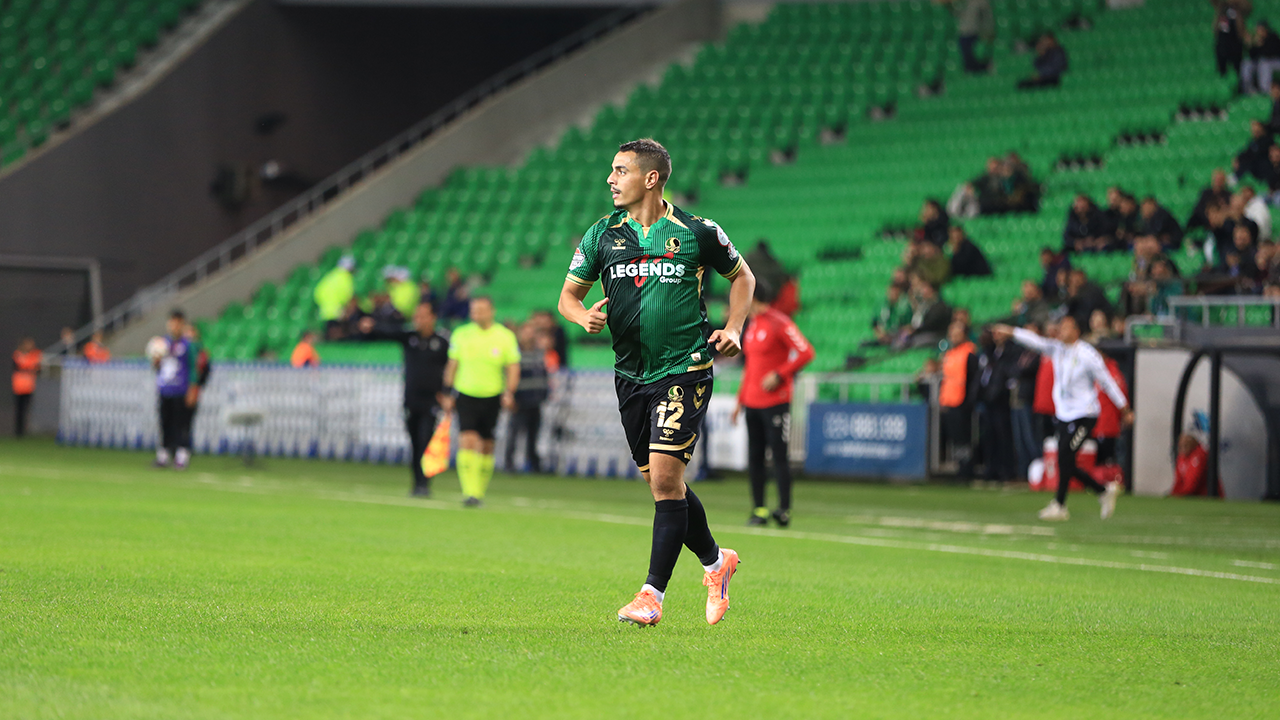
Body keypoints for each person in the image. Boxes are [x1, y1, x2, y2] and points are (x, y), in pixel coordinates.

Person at [557, 138, 754, 628]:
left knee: (666, 482)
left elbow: (743, 277)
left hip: (684, 367)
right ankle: (716, 562)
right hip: (630, 375)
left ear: (651, 178)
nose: (610, 179)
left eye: (619, 170)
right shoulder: (601, 234)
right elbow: (567, 296)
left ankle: (652, 596)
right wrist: (581, 316)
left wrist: (732, 329)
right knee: (664, 484)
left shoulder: (697, 232)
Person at [994, 318, 1132, 521]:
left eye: (1066, 327)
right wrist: (1012, 332)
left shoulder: (1087, 354)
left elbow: (1107, 381)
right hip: (1065, 415)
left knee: (1065, 457)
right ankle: (1101, 491)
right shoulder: (1057, 349)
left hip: (1085, 414)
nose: (1061, 330)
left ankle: (1060, 505)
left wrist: (1125, 408)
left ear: (1076, 330)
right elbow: (1034, 341)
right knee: (1064, 460)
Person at [731, 282, 814, 528]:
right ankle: (759, 510)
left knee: (779, 456)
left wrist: (780, 374)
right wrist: (739, 401)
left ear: (753, 297)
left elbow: (806, 352)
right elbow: (750, 367)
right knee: (755, 457)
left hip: (775, 402)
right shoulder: (752, 324)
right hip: (753, 402)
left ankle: (784, 509)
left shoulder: (780, 322)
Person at [359, 301, 450, 497]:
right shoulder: (409, 337)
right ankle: (417, 483)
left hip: (432, 401)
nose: (419, 320)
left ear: (433, 317)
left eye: (423, 315)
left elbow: (451, 369)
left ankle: (424, 483)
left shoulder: (442, 342)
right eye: (417, 315)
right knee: (415, 442)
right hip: (411, 400)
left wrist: (447, 392)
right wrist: (371, 327)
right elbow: (385, 333)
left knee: (426, 441)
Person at [444, 296, 520, 506]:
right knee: (467, 439)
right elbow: (453, 364)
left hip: (492, 395)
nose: (476, 314)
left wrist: (509, 392)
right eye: (473, 310)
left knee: (486, 444)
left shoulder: (505, 336)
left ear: (491, 311)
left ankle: (479, 491)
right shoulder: (461, 334)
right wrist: (448, 392)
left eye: (480, 310)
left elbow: (512, 366)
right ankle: (470, 492)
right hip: (466, 393)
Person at [153, 310, 200, 470]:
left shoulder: (188, 345)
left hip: (181, 389)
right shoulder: (161, 343)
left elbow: (194, 368)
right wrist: (156, 361)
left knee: (181, 424)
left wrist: (193, 389)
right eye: (172, 323)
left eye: (178, 323)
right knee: (165, 423)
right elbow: (157, 366)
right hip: (165, 389)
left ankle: (181, 456)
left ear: (182, 325)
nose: (174, 326)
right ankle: (163, 454)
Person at [504, 322, 551, 473]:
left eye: (532, 332)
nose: (529, 335)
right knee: (514, 433)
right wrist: (510, 394)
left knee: (534, 434)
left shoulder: (539, 352)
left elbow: (543, 374)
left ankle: (533, 464)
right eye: (526, 332)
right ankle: (508, 464)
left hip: (535, 400)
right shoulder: (514, 352)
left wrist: (544, 393)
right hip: (519, 399)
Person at [938, 321, 978, 480]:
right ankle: (959, 467)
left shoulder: (969, 352)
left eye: (957, 332)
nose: (953, 336)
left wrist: (969, 401)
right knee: (955, 439)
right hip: (949, 401)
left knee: (963, 439)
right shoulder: (950, 353)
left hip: (962, 402)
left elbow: (973, 379)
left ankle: (967, 469)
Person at [937, 0, 993, 73]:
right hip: (963, 34)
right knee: (968, 65)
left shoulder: (981, 2)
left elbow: (987, 18)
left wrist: (987, 33)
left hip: (977, 35)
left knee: (980, 64)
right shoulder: (960, 3)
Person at [314, 255, 355, 336]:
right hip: (338, 311)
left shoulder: (331, 275)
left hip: (325, 312)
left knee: (330, 335)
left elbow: (317, 292)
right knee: (338, 335)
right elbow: (347, 295)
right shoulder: (346, 277)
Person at [11, 337, 41, 437]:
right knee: (19, 409)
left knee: (27, 409)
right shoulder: (18, 354)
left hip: (29, 386)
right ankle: (18, 432)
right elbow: (22, 366)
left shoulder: (35, 354)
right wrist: (30, 367)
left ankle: (25, 431)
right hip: (19, 386)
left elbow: (37, 366)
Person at [1214, 0, 1248, 80]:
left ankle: (1239, 84)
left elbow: (1240, 29)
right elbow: (1215, 28)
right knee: (1223, 67)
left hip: (1235, 43)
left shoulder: (1239, 10)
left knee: (1238, 66)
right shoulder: (1222, 10)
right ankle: (1223, 81)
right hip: (1223, 43)